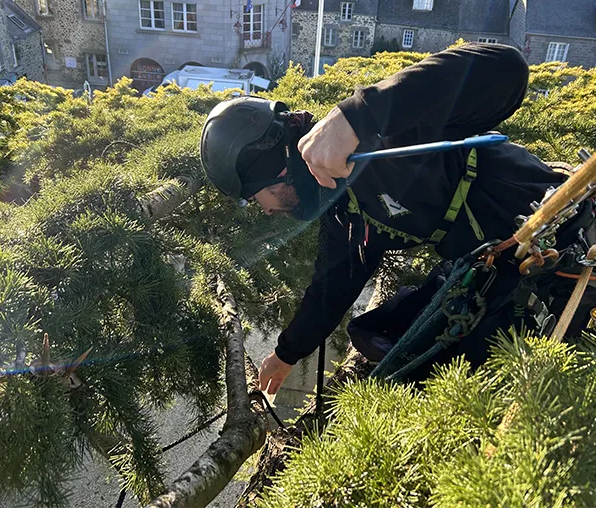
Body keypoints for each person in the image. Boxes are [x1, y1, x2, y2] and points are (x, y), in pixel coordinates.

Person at [200, 43, 568, 395]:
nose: (265, 210)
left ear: (274, 170)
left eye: (254, 198)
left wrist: (357, 115)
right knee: (376, 332)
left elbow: (506, 69)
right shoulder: (343, 214)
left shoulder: (383, 137)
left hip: (555, 237)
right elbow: (328, 294)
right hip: (493, 266)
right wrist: (284, 356)